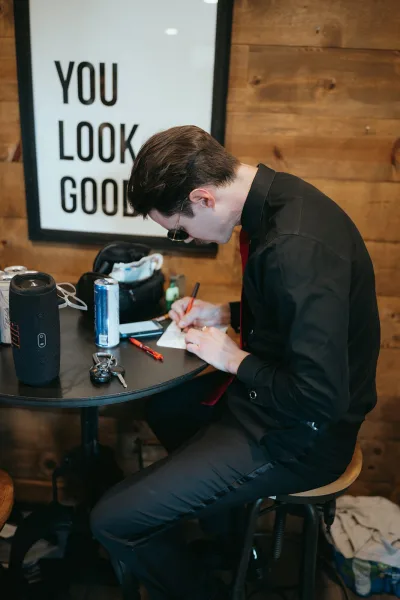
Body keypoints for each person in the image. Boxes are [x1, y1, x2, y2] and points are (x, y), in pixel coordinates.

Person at [91, 125, 380, 600]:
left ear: (203, 197)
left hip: (302, 434)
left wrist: (233, 358)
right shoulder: (280, 200)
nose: (185, 239)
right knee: (165, 407)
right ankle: (232, 545)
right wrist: (225, 313)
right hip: (277, 402)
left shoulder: (293, 248)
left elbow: (319, 397)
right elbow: (302, 316)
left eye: (180, 231)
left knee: (111, 520)